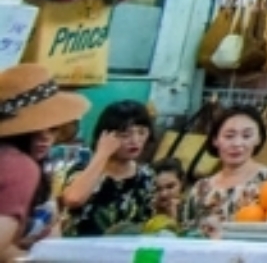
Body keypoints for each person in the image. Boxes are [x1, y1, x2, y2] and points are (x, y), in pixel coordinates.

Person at [0, 66, 89, 262]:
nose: (45, 137)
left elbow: (53, 236)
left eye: (53, 128)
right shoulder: (18, 167)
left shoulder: (39, 172)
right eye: (37, 129)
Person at [57, 100, 155, 236]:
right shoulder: (82, 169)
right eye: (125, 134)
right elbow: (73, 199)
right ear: (105, 136)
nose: (135, 140)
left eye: (141, 132)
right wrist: (102, 153)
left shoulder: (147, 176)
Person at [181, 107, 267, 239]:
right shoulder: (201, 189)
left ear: (259, 139)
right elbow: (187, 235)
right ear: (215, 140)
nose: (237, 144)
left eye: (246, 136)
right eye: (229, 136)